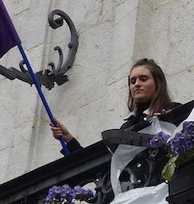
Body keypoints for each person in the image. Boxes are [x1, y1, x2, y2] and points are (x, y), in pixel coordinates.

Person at [49, 58, 178, 152]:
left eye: (143, 79)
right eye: (132, 81)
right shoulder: (127, 127)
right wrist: (68, 138)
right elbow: (102, 162)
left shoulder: (174, 111)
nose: (137, 84)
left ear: (157, 83)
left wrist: (167, 123)